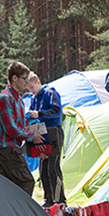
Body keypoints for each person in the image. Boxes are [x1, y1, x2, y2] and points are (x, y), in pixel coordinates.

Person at [0, 61, 44, 196]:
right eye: (24, 78)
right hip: (6, 148)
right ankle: (21, 215)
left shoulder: (18, 99)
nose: (26, 82)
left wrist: (38, 138)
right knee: (27, 181)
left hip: (12, 147)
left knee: (9, 187)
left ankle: (8, 215)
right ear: (14, 78)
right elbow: (12, 128)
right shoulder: (5, 98)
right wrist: (32, 137)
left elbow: (23, 124)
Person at [26, 72, 66, 206]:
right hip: (41, 134)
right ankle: (48, 199)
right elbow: (34, 114)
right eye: (28, 89)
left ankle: (60, 200)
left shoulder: (50, 93)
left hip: (54, 131)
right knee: (43, 168)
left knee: (53, 168)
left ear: (38, 82)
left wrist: (40, 114)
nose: (31, 91)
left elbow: (58, 111)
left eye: (32, 87)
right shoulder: (34, 98)